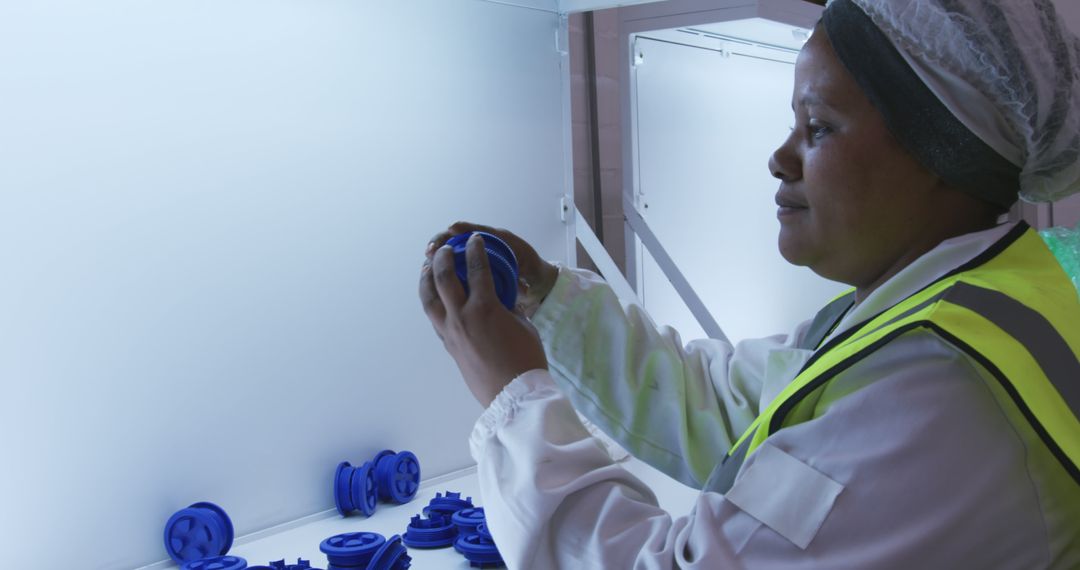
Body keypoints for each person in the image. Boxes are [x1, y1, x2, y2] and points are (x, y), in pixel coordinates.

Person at [419, 0, 1080, 567]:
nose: (779, 157)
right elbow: (726, 405)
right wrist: (548, 299)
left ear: (939, 153)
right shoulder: (950, 305)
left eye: (817, 127)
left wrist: (513, 399)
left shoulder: (943, 386)